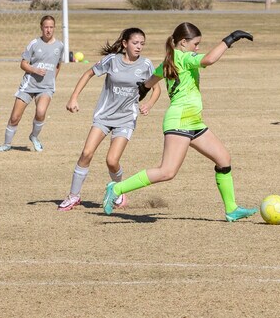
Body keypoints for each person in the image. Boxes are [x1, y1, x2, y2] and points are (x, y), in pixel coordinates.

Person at [101, 22, 258, 222]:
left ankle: (231, 208)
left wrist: (143, 90)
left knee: (223, 159)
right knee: (167, 172)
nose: (198, 48)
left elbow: (149, 82)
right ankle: (117, 188)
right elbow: (209, 59)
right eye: (196, 44)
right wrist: (231, 38)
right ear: (183, 43)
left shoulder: (169, 59)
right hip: (180, 121)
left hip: (194, 121)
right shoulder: (183, 57)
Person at [58, 28, 161, 211]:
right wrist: (74, 97)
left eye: (142, 44)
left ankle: (119, 191)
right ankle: (74, 196)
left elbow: (157, 89)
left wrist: (149, 104)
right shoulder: (112, 60)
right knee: (86, 153)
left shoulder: (146, 64)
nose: (139, 47)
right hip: (104, 116)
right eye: (135, 43)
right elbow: (88, 74)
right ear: (125, 44)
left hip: (126, 119)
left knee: (112, 161)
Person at [0, 15, 64, 152]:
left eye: (51, 27)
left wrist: (52, 80)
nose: (48, 30)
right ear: (41, 27)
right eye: (46, 27)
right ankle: (7, 144)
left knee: (41, 111)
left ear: (54, 28)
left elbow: (58, 65)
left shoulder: (60, 46)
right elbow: (23, 64)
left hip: (46, 87)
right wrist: (34, 70)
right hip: (28, 85)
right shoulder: (34, 44)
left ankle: (34, 136)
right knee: (15, 117)